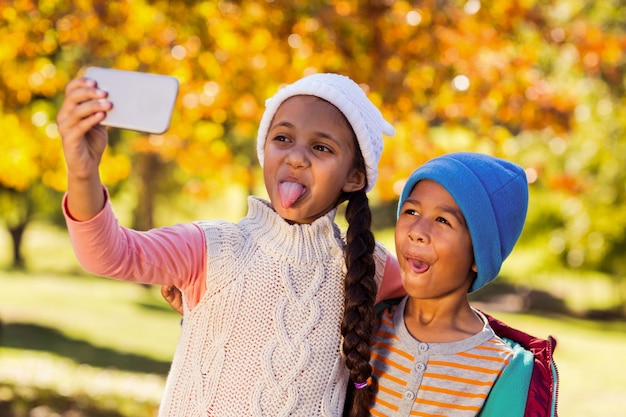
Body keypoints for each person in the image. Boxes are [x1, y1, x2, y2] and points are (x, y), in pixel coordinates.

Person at [57, 72, 404, 416]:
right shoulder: (212, 247)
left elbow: (447, 290)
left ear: (355, 177)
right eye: (282, 138)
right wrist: (83, 172)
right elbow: (108, 254)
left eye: (321, 147)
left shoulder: (369, 268)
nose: (296, 157)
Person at [353, 152, 558, 417]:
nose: (417, 231)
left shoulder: (504, 368)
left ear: (478, 255)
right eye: (411, 211)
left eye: (443, 220)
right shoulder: (365, 323)